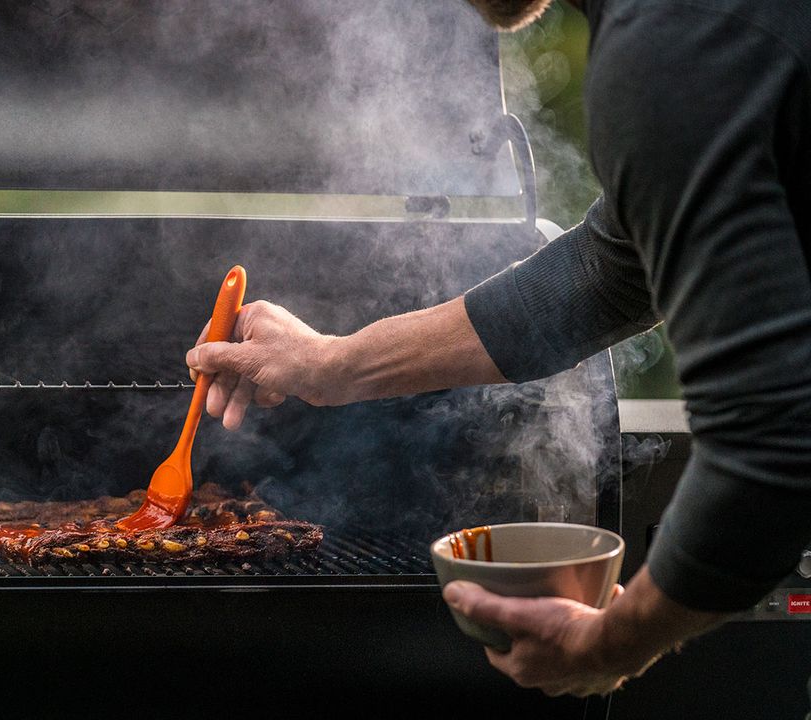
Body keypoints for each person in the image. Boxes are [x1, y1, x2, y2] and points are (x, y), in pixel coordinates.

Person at [185, 0, 811, 698]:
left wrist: (612, 642)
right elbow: (609, 274)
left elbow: (772, 441)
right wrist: (332, 364)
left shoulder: (674, 43)